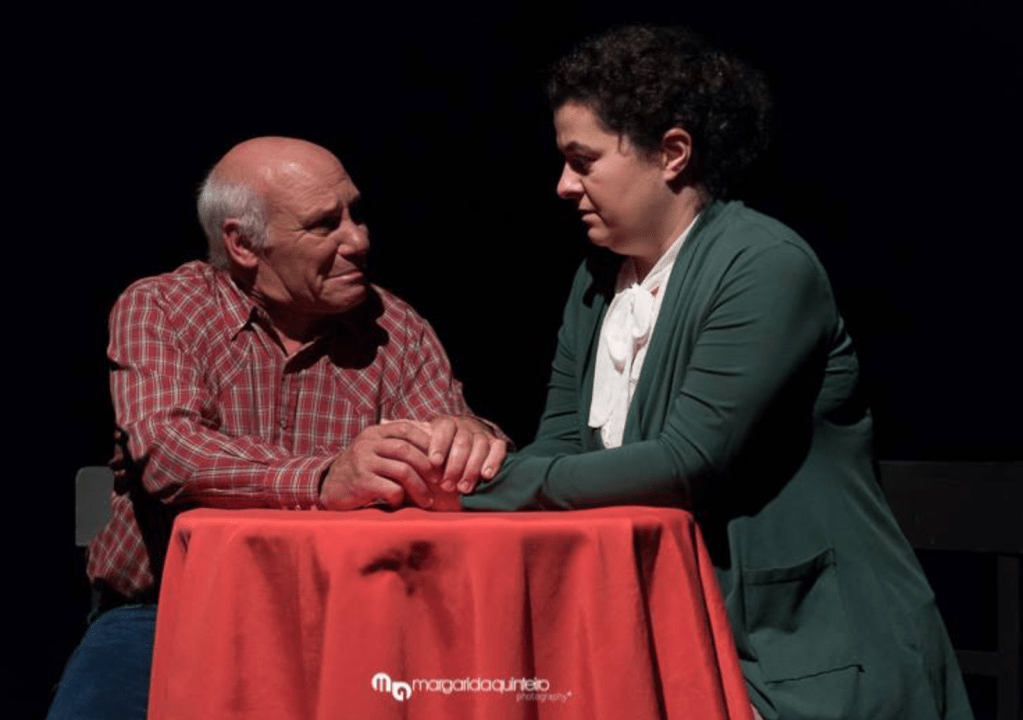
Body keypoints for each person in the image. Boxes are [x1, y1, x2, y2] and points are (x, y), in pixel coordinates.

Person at [462, 25, 974, 720]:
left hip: (804, 649)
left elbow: (686, 463)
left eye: (583, 161)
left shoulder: (763, 264)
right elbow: (561, 444)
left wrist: (490, 486)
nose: (563, 185)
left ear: (671, 153)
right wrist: (479, 473)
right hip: (669, 625)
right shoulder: (595, 282)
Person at [47, 136, 506, 720]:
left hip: (346, 611)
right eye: (324, 225)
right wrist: (324, 479)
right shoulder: (162, 307)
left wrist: (468, 440)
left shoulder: (397, 328)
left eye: (356, 213)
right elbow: (170, 453)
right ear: (242, 243)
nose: (359, 240)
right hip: (167, 607)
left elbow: (448, 451)